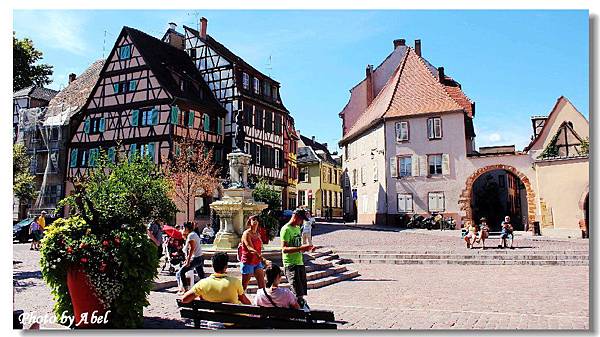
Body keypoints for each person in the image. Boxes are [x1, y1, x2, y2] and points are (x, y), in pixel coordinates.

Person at [181, 252, 251, 305]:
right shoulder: (235, 282)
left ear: (212, 266)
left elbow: (184, 299)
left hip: (211, 319)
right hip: (234, 321)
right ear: (226, 266)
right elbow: (244, 301)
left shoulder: (202, 283)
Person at [280, 208, 315, 308]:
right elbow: (284, 249)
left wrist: (307, 248)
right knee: (296, 292)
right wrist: (301, 248)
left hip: (299, 262)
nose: (302, 222)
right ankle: (299, 313)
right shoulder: (286, 229)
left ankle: (301, 310)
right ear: (296, 217)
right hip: (291, 264)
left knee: (301, 292)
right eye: (301, 219)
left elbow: (298, 247)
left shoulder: (297, 228)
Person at [239, 215, 269, 290]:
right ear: (250, 221)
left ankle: (262, 300)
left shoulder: (258, 234)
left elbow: (260, 247)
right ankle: (239, 300)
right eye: (253, 219)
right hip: (248, 261)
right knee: (244, 286)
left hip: (257, 261)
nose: (255, 221)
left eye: (257, 220)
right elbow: (250, 248)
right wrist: (263, 259)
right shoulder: (246, 234)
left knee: (262, 285)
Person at [176, 222, 205, 294]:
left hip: (196, 258)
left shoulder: (191, 235)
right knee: (201, 275)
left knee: (181, 272)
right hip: (199, 257)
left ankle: (186, 290)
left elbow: (192, 249)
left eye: (183, 228)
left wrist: (188, 261)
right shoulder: (193, 234)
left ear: (186, 228)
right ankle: (206, 289)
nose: (182, 229)